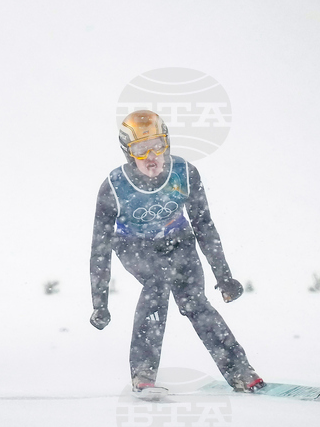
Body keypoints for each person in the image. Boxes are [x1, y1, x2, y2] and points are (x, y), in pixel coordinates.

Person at [88, 109, 264, 394]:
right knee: (157, 285)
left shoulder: (184, 173)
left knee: (195, 303)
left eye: (158, 145)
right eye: (141, 149)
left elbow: (204, 225)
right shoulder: (114, 187)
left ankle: (241, 371)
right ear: (128, 152)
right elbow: (99, 249)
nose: (151, 157)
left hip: (178, 241)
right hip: (134, 246)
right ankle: (143, 374)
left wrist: (225, 276)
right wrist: (100, 302)